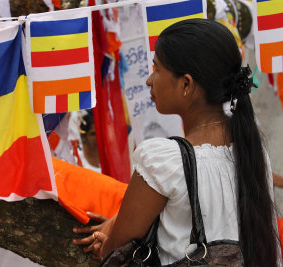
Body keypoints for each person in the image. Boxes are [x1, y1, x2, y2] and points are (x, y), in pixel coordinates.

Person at [73, 19, 280, 266]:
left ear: (186, 84)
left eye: (157, 69)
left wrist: (106, 239)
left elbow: (114, 252)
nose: (150, 80)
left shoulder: (163, 160)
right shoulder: (252, 151)